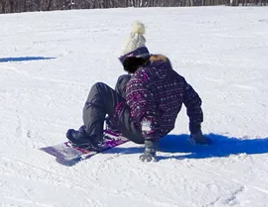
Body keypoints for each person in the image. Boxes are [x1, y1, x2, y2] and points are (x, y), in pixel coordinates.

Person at [65, 22, 209, 161]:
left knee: (99, 89)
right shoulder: (170, 73)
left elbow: (147, 116)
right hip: (164, 127)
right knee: (123, 80)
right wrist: (196, 130)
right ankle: (116, 126)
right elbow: (193, 100)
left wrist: (150, 145)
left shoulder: (139, 83)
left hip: (143, 132)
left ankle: (92, 138)